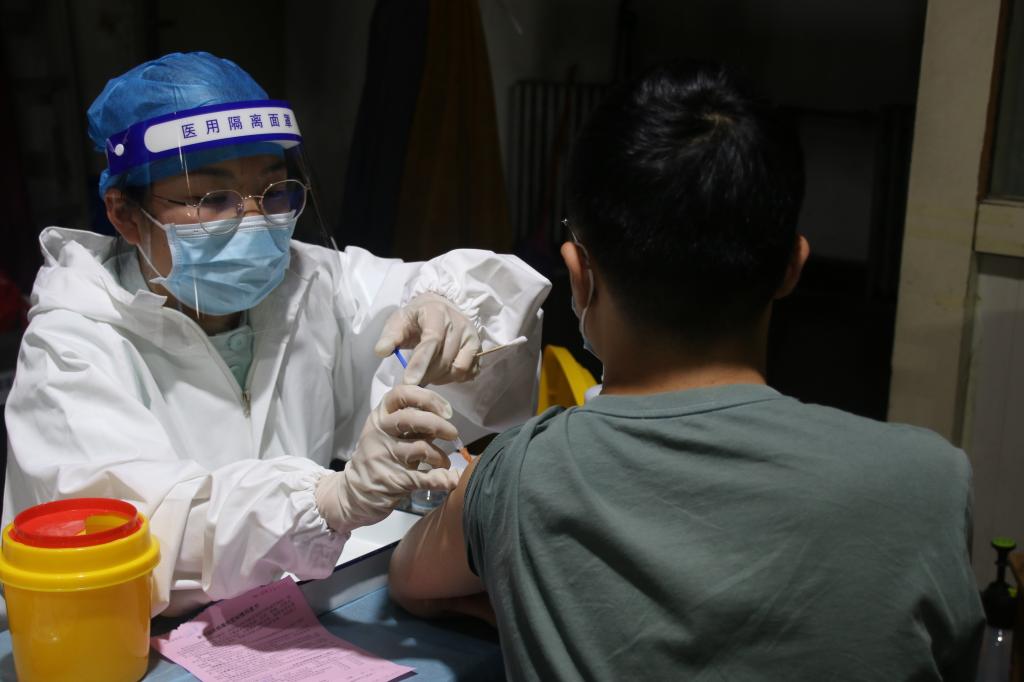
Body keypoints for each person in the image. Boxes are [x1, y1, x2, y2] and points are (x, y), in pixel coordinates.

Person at [388, 62, 985, 680]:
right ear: (792, 267)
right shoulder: (930, 484)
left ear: (580, 276)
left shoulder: (517, 479)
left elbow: (411, 582)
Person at [2, 52, 550, 616]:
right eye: (212, 199)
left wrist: (449, 310)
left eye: (274, 192)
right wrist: (326, 500)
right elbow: (132, 531)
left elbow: (467, 308)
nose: (255, 222)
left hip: (286, 614)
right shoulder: (72, 345)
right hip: (124, 637)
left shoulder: (305, 283)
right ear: (125, 215)